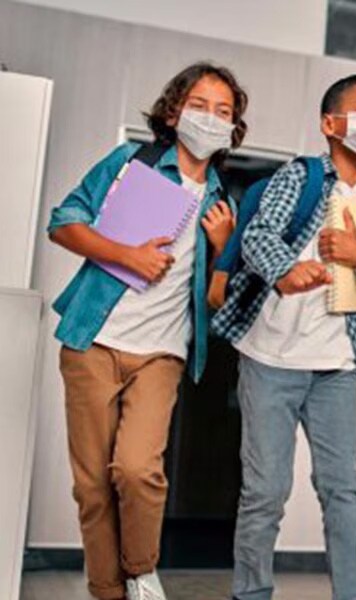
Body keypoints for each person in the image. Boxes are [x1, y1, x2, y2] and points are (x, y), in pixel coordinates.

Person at [46, 62, 246, 600]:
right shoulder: (130, 164)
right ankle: (107, 591)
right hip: (93, 341)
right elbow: (61, 221)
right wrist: (125, 254)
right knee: (91, 486)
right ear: (174, 111)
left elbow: (214, 302)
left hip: (161, 354)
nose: (210, 118)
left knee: (136, 470)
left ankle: (141, 570)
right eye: (200, 105)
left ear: (234, 128)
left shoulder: (221, 201)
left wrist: (225, 244)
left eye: (223, 112)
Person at [211, 73, 356, 600]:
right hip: (269, 359)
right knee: (266, 492)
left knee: (344, 489)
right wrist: (284, 272)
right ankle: (251, 593)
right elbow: (257, 234)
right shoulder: (299, 177)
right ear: (330, 124)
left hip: (337, 368)